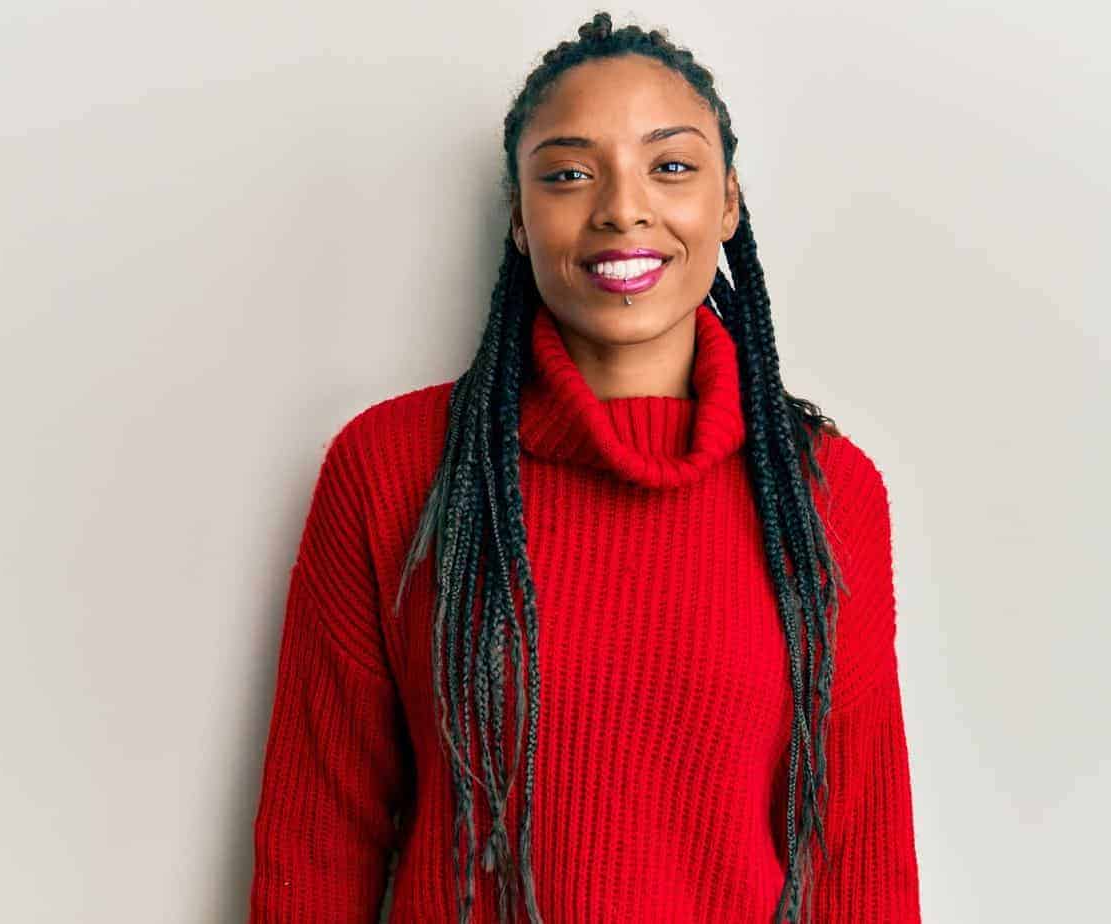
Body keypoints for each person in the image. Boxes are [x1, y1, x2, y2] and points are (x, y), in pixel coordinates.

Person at [248, 11, 921, 924]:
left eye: (671, 166)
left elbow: (857, 852)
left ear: (728, 202)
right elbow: (321, 837)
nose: (621, 207)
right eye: (568, 173)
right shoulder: (393, 469)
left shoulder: (826, 492)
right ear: (520, 220)